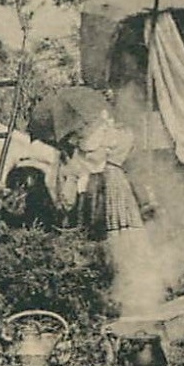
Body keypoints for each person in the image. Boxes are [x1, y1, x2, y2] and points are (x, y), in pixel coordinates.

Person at [75, 110, 156, 313]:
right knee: (116, 226)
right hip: (106, 181)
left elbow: (90, 151)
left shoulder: (114, 135)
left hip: (112, 180)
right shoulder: (108, 135)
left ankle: (134, 288)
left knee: (123, 225)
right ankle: (124, 289)